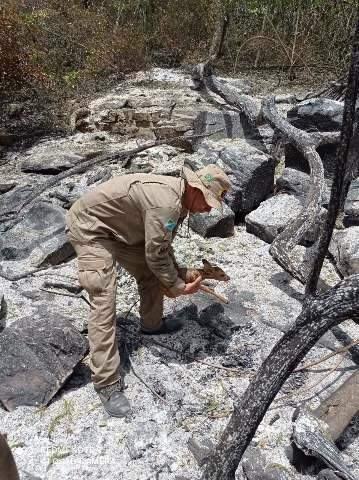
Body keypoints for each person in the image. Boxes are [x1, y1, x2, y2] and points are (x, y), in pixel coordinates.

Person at [65, 163, 231, 417]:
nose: (208, 209)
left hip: (122, 231)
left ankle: (151, 325)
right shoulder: (166, 203)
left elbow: (161, 248)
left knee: (150, 274)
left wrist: (180, 274)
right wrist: (178, 287)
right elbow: (156, 255)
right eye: (207, 202)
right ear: (195, 189)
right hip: (91, 229)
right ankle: (107, 384)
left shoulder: (179, 203)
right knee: (104, 299)